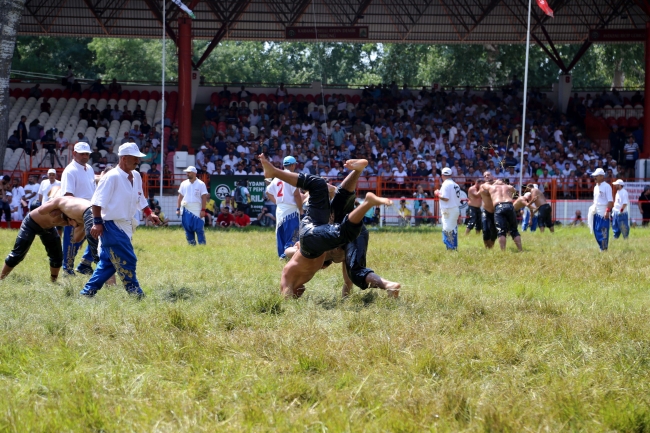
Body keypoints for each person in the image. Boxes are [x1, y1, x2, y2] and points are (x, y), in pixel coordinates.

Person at [259, 155, 392, 298]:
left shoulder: (289, 277)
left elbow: (289, 256)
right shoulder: (323, 257)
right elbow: (347, 280)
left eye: (298, 295)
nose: (302, 293)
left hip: (310, 234)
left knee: (343, 232)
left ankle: (367, 203)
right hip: (316, 224)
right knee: (319, 185)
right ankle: (358, 172)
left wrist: (297, 247)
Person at [80, 143, 160, 298]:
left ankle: (87, 293)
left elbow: (140, 197)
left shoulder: (136, 176)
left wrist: (149, 213)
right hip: (111, 225)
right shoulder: (112, 177)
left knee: (107, 264)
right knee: (128, 258)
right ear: (124, 158)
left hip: (126, 225)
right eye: (135, 158)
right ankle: (135, 293)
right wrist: (97, 223)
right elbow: (96, 203)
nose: (138, 161)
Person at [1, 196, 97, 282]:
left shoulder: (81, 219)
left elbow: (76, 239)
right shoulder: (61, 203)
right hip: (31, 224)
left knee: (57, 257)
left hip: (48, 228)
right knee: (18, 254)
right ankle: (1, 278)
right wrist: (57, 207)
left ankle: (53, 282)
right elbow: (41, 211)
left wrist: (80, 226)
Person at [60, 142, 97, 276]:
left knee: (96, 237)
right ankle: (67, 269)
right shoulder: (70, 170)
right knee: (72, 242)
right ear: (74, 153)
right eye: (82, 154)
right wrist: (71, 217)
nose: (85, 156)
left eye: (87, 154)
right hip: (76, 211)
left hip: (90, 210)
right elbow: (68, 195)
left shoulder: (89, 169)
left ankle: (85, 263)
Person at [266, 156, 303, 258]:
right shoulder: (293, 176)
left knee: (280, 232)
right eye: (294, 164)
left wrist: (277, 202)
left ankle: (281, 255)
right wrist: (300, 208)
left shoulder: (277, 177)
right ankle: (288, 256)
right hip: (291, 209)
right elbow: (296, 195)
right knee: (292, 234)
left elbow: (268, 192)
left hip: (280, 209)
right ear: (292, 165)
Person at [481, 176, 522, 252]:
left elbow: (483, 185)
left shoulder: (491, 187)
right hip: (510, 205)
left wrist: (493, 182)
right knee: (514, 230)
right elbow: (515, 191)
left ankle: (503, 251)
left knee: (501, 231)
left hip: (499, 206)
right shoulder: (508, 186)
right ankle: (520, 250)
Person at [176, 166, 209, 246]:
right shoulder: (183, 183)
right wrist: (178, 208)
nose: (187, 174)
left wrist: (203, 210)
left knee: (199, 228)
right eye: (187, 172)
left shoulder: (201, 184)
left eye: (189, 172)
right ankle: (191, 245)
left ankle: (202, 246)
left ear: (194, 173)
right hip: (186, 208)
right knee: (188, 228)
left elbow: (204, 197)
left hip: (197, 208)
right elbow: (180, 196)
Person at [434, 167, 461, 250]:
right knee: (453, 228)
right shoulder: (455, 184)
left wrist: (437, 193)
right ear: (451, 175)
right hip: (455, 208)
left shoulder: (446, 184)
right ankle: (453, 247)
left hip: (449, 209)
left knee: (447, 229)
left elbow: (445, 198)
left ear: (442, 175)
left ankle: (451, 248)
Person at [588, 168, 613, 251]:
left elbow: (610, 201)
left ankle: (604, 248)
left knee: (603, 230)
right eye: (594, 176)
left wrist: (607, 211)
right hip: (596, 210)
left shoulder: (607, 186)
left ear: (602, 176)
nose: (594, 177)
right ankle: (601, 247)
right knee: (596, 229)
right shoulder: (595, 187)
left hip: (603, 210)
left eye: (596, 176)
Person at [478, 172, 498, 249]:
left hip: (495, 211)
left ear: (492, 176)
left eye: (488, 175)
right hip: (486, 211)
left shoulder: (498, 185)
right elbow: (489, 191)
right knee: (485, 230)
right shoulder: (482, 186)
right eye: (485, 176)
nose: (486, 176)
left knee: (495, 231)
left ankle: (491, 247)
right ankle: (487, 248)